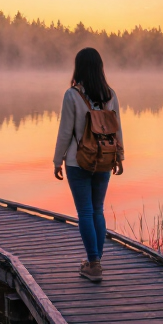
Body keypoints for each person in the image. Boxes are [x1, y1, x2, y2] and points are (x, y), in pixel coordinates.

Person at [53, 47, 123, 283]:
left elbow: (65, 132)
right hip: (105, 158)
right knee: (97, 210)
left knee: (84, 211)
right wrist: (119, 156)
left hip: (78, 161)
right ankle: (96, 262)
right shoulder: (110, 95)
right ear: (100, 68)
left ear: (79, 67)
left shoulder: (72, 95)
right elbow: (118, 129)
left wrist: (57, 161)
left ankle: (93, 264)